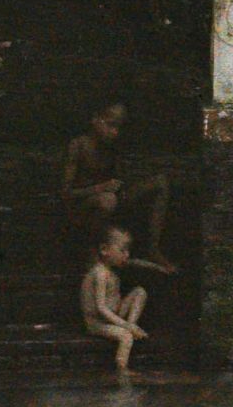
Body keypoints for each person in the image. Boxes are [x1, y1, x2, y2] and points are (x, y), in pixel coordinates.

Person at [62, 102, 176, 272]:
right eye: (110, 125)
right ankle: (94, 253)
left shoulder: (111, 146)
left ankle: (152, 248)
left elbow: (120, 181)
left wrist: (123, 184)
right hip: (83, 206)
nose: (115, 132)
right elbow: (67, 193)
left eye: (119, 127)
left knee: (160, 182)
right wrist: (101, 188)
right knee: (107, 200)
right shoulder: (78, 145)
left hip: (112, 199)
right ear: (95, 119)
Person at [81, 226, 150, 373]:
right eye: (122, 250)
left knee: (140, 292)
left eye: (128, 251)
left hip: (114, 315)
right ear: (105, 250)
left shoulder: (111, 269)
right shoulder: (100, 273)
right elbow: (100, 308)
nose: (127, 255)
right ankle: (122, 370)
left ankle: (131, 325)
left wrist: (160, 267)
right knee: (125, 337)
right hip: (98, 322)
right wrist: (126, 326)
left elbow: (137, 262)